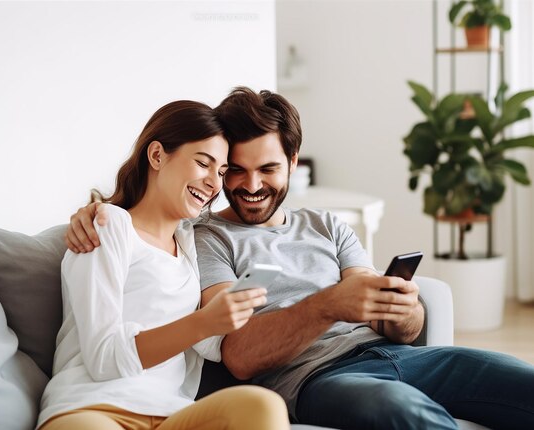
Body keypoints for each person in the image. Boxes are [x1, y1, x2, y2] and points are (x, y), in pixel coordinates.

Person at [65, 88, 534, 430]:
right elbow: (239, 353)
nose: (249, 186)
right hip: (315, 378)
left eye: (267, 169)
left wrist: (404, 307)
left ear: (294, 162)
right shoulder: (205, 238)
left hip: (393, 354)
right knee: (399, 411)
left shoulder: (328, 226)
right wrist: (330, 303)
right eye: (235, 171)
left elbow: (404, 330)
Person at [38, 99, 290, 430]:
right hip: (92, 408)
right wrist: (204, 322)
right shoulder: (108, 226)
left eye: (222, 172)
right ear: (157, 155)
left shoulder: (191, 244)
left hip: (171, 414)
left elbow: (209, 347)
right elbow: (103, 358)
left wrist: (235, 312)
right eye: (203, 163)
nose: (215, 184)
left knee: (262, 406)